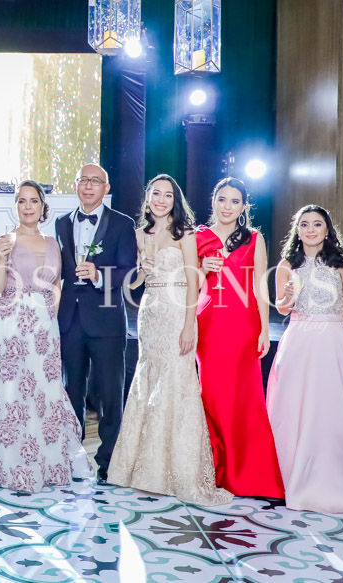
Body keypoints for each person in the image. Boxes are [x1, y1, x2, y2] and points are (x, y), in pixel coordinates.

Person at [108, 175, 232, 506]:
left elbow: (194, 279)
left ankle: (179, 471)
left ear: (175, 200)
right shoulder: (139, 235)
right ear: (147, 198)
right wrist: (142, 270)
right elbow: (134, 283)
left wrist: (190, 324)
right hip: (150, 312)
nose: (161, 200)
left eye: (167, 195)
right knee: (148, 380)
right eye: (155, 194)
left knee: (177, 381)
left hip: (178, 311)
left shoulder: (184, 233)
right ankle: (147, 468)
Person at [267, 205, 343, 513]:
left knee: (334, 407)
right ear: (297, 231)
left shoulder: (342, 264)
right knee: (295, 408)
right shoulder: (287, 264)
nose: (310, 229)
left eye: (317, 224)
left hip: (334, 341)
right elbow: (282, 308)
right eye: (304, 224)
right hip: (299, 342)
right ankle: (290, 475)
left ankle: (341, 475)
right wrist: (288, 295)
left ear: (327, 230)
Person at [0, 180, 92, 493]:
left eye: (33, 201)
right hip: (10, 325)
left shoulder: (53, 243)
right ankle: (10, 465)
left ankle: (48, 463)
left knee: (44, 392)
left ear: (43, 206)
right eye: (22, 201)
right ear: (16, 206)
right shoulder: (5, 241)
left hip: (44, 328)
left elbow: (56, 285)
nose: (27, 207)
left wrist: (49, 319)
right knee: (11, 393)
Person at [196, 177, 283, 498]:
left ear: (244, 206)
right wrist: (202, 268)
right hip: (209, 324)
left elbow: (261, 287)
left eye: (235, 201)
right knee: (212, 396)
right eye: (222, 199)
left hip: (243, 326)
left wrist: (264, 329)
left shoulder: (254, 239)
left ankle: (249, 471)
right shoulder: (198, 236)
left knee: (244, 398)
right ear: (213, 201)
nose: (227, 206)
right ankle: (216, 468)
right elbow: (188, 284)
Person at [55, 163, 136, 485]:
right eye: (83, 181)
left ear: (106, 187)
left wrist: (100, 275)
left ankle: (109, 462)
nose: (88, 186)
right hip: (69, 321)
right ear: (76, 185)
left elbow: (129, 270)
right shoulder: (61, 223)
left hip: (107, 320)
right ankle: (73, 457)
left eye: (95, 181)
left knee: (110, 395)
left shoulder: (122, 223)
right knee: (70, 392)